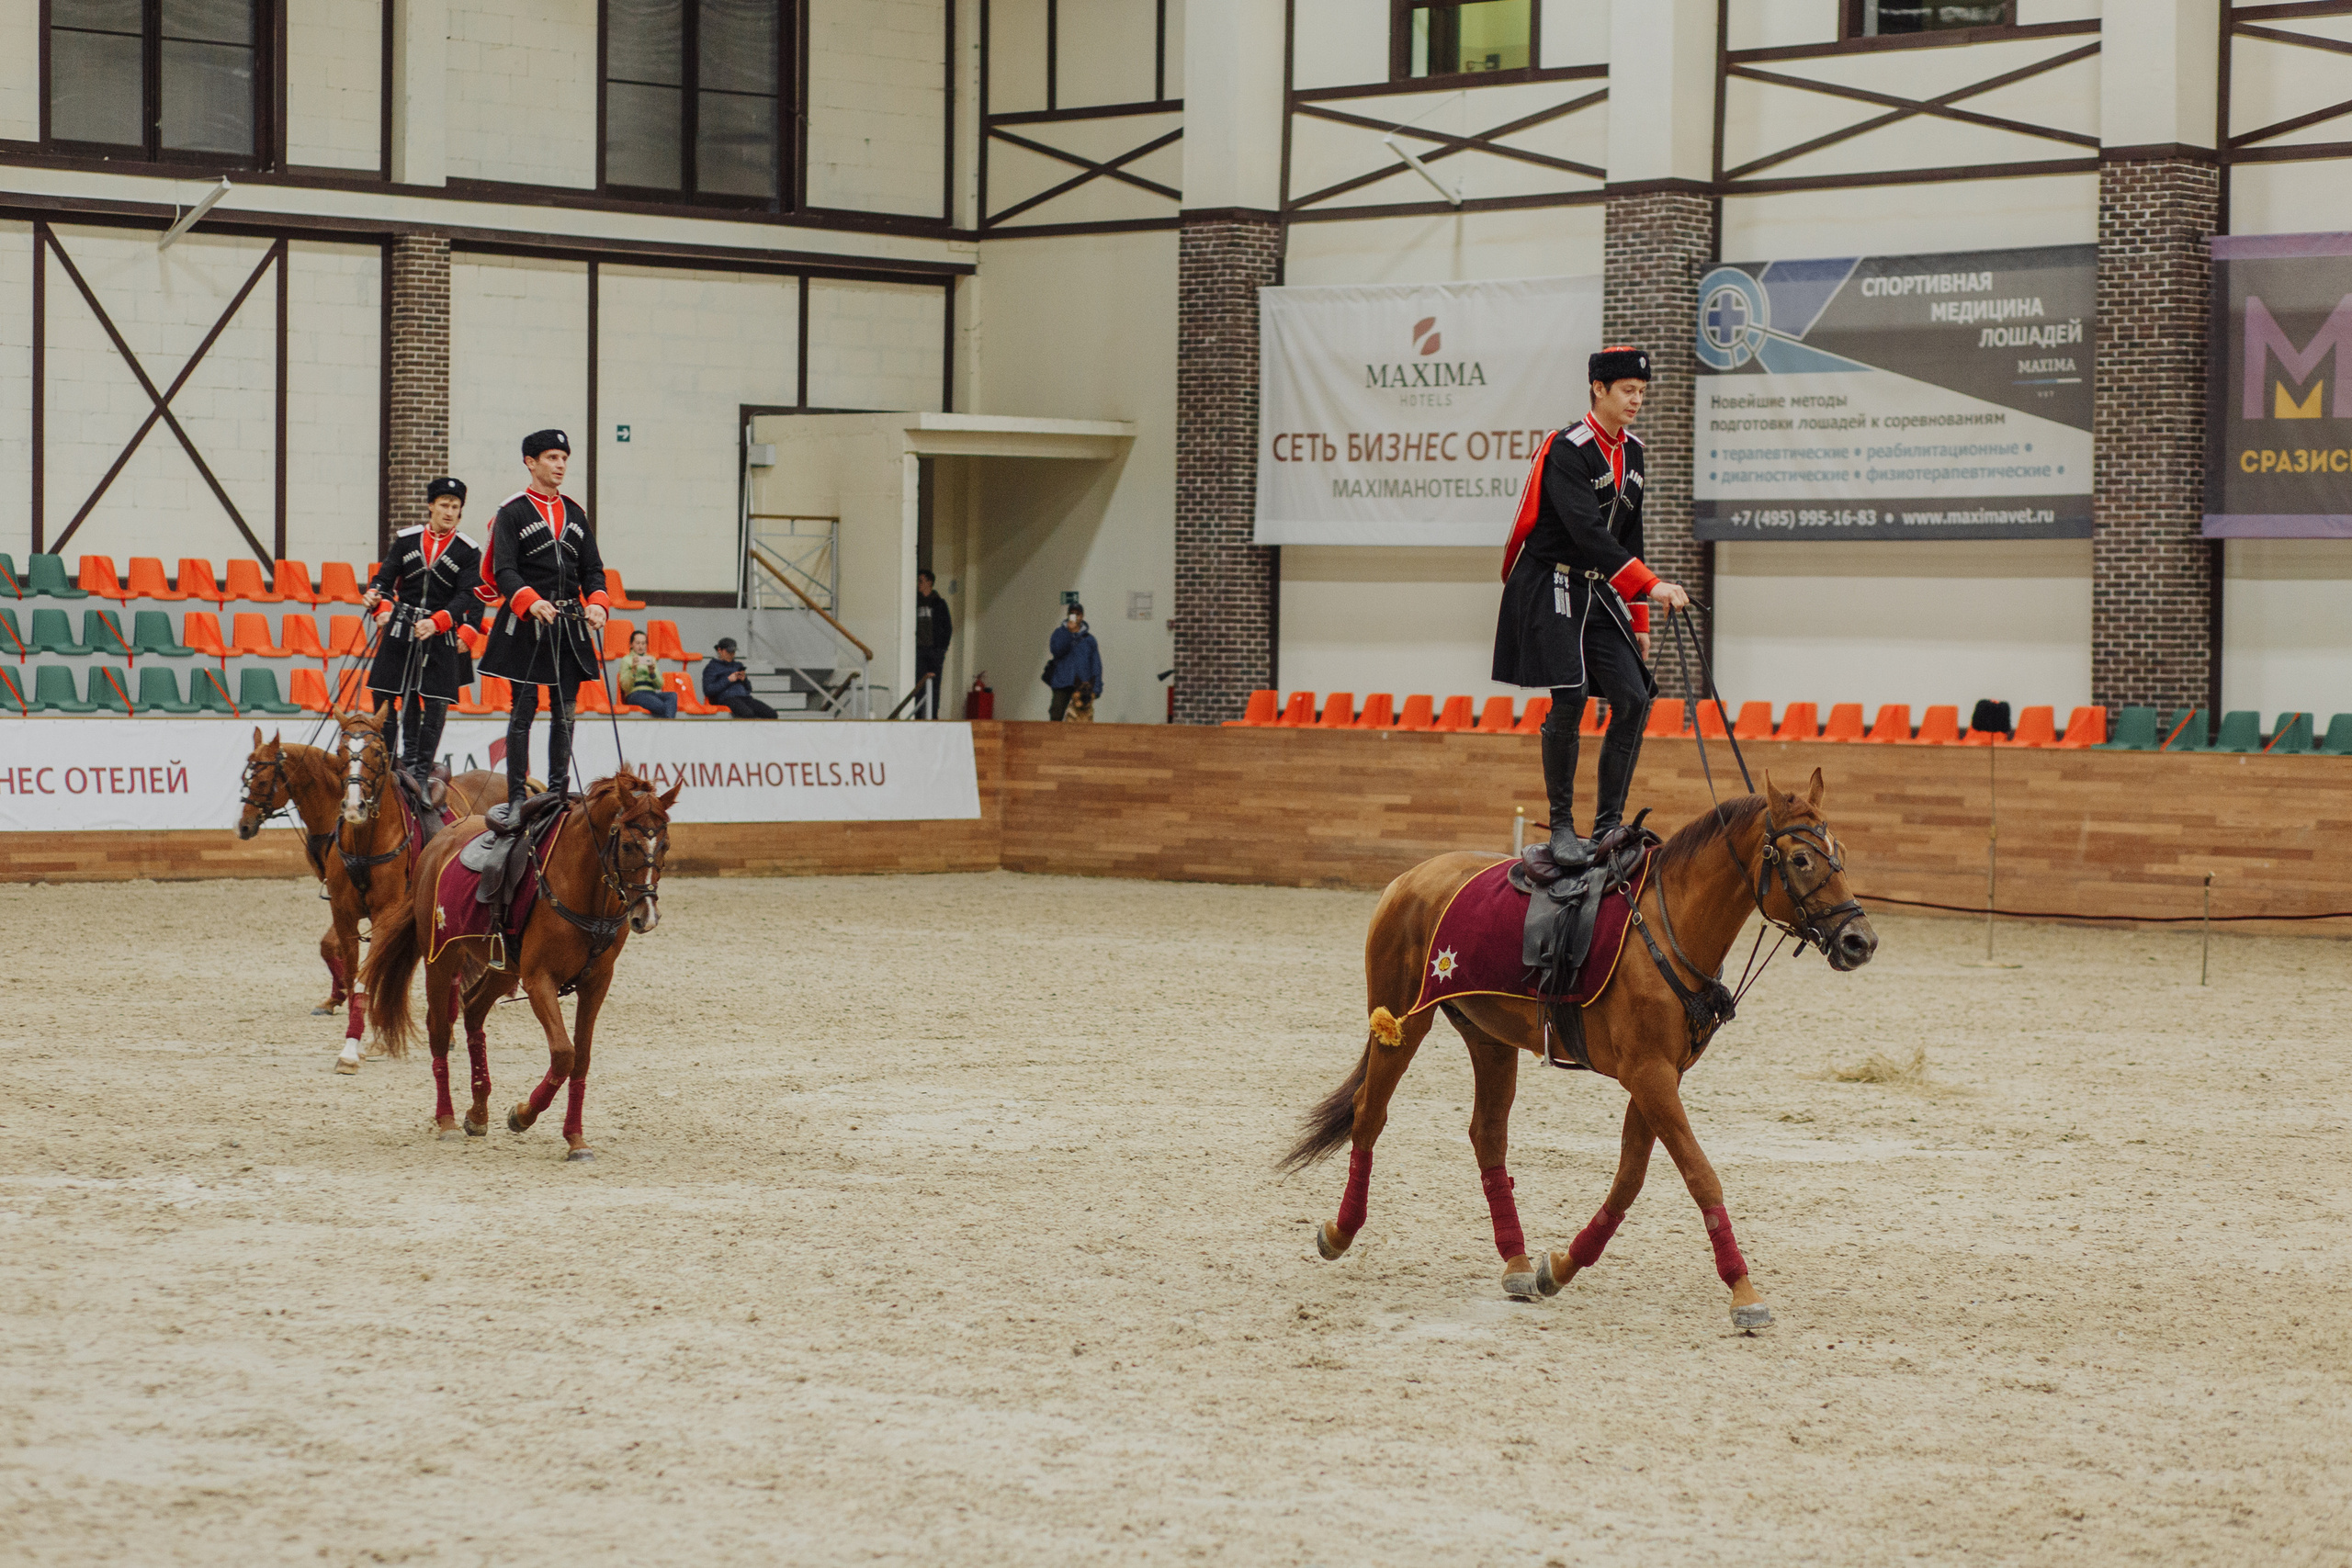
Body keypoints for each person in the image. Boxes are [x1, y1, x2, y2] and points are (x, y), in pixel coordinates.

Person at [1491, 345, 1691, 869]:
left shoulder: (1635, 453)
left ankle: (1607, 826)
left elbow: (1631, 535)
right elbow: (1587, 533)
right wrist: (1651, 585)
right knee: (1572, 694)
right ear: (1598, 389)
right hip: (1550, 580)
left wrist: (1639, 615)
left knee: (1632, 697)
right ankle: (1561, 826)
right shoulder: (1568, 448)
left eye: (1642, 392)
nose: (1636, 400)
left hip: (1600, 590)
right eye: (1628, 390)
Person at [474, 429, 611, 804]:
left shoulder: (575, 513)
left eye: (564, 458)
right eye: (552, 458)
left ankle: (555, 795)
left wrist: (597, 601)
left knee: (565, 714)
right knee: (523, 714)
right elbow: (503, 569)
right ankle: (517, 797)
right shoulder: (512, 511)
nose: (561, 465)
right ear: (530, 462)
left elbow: (593, 569)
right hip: (526, 625)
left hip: (568, 625)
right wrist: (529, 600)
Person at [362, 477, 481, 788]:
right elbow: (385, 579)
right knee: (384, 695)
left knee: (435, 702)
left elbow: (467, 595)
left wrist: (440, 622)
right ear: (431, 506)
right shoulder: (406, 539)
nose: (449, 512)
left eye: (455, 507)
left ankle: (419, 773)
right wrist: (375, 595)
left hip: (438, 633)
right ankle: (387, 764)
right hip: (402, 627)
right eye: (444, 505)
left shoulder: (469, 550)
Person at [1046, 604, 1102, 722]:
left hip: (1082, 684)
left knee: (1082, 718)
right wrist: (1069, 633)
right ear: (1068, 616)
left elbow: (1096, 665)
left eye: (1078, 614)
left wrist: (1096, 689)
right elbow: (1056, 650)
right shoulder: (1059, 633)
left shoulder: (1089, 639)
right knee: (1056, 714)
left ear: (1082, 616)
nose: (1075, 616)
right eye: (1072, 613)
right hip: (1062, 682)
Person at [701, 637, 777, 719]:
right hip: (727, 698)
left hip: (745, 698)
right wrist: (728, 680)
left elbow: (749, 689)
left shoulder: (737, 665)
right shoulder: (712, 667)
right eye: (728, 652)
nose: (731, 655)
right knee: (747, 714)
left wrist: (744, 680)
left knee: (772, 714)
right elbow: (708, 690)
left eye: (733, 652)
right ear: (720, 650)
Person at [913, 570, 952, 718]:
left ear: (930, 582)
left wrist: (941, 649)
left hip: (934, 651)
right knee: (918, 686)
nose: (919, 584)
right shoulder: (915, 603)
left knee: (934, 686)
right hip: (920, 651)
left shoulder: (939, 603)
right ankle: (917, 715)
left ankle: (933, 716)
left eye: (921, 581)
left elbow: (947, 627)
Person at [615, 629, 675, 717]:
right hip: (635, 694)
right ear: (631, 644)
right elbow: (625, 687)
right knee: (663, 707)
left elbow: (659, 685)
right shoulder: (626, 660)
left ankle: (668, 723)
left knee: (672, 696)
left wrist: (652, 673)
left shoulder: (651, 659)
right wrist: (633, 670)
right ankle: (669, 725)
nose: (641, 646)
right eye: (638, 643)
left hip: (651, 693)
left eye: (643, 643)